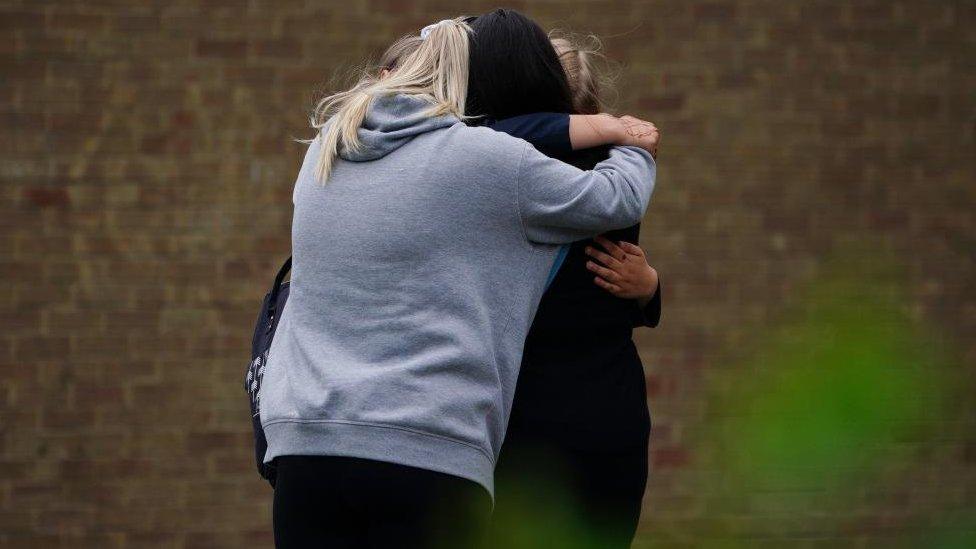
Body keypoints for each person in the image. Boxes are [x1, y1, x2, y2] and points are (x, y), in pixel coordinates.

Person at [259, 17, 660, 548]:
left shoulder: (324, 151)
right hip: (426, 445)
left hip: (303, 440)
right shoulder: (479, 161)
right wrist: (631, 141)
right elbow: (616, 198)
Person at [463, 10, 662, 548]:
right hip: (609, 411)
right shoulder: (620, 161)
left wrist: (647, 288)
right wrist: (650, 290)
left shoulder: (498, 161)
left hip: (524, 417)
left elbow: (480, 134)